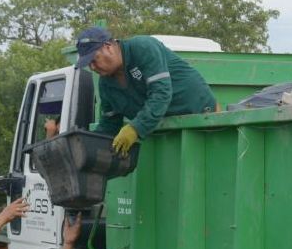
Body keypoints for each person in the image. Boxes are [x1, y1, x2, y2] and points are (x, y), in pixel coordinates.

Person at [74, 26, 218, 155]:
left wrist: (135, 128)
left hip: (203, 121)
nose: (92, 67)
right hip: (166, 132)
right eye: (88, 64)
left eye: (94, 60)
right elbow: (109, 124)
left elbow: (161, 94)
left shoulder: (142, 47)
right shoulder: (106, 85)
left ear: (108, 47)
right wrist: (90, 147)